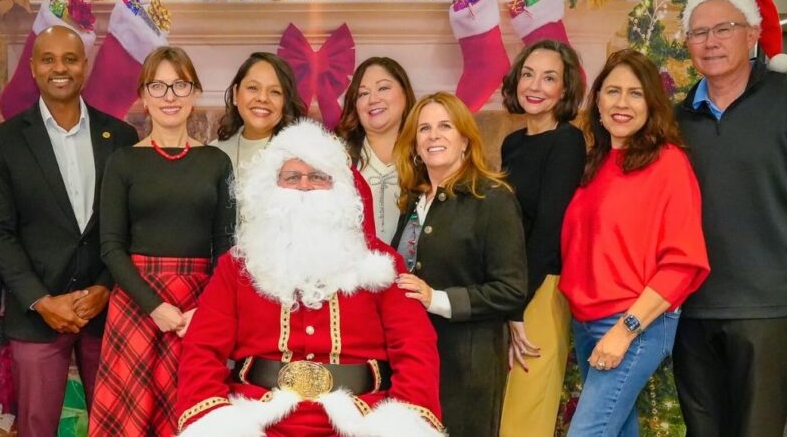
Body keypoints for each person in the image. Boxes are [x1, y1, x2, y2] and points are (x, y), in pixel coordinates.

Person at [175, 119, 443, 436]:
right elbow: (202, 350)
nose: (304, 185)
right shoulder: (238, 266)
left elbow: (415, 347)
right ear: (270, 188)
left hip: (362, 419)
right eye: (292, 177)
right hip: (258, 418)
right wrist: (217, 421)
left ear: (341, 188)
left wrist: (400, 423)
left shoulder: (381, 262)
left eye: (318, 177)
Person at [673, 0, 787, 436]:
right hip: (691, 304)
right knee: (702, 429)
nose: (710, 43)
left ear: (751, 35)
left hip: (766, 303)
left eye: (723, 29)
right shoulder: (676, 117)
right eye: (698, 33)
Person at [0, 25, 138, 436]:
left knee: (116, 424)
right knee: (37, 426)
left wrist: (106, 287)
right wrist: (40, 300)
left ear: (84, 66)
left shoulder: (121, 136)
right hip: (37, 314)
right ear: (33, 68)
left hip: (106, 311)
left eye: (69, 58)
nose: (59, 68)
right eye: (48, 59)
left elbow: (129, 225)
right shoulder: (5, 141)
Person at [559, 49, 710, 436]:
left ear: (652, 104)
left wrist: (625, 330)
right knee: (619, 427)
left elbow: (682, 263)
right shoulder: (596, 161)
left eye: (635, 93)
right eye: (612, 92)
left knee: (587, 431)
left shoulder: (668, 163)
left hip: (635, 320)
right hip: (588, 320)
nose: (622, 103)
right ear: (598, 102)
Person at [88, 46, 235, 436]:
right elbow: (111, 247)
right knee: (130, 419)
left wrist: (206, 308)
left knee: (189, 411)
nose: (169, 96)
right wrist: (155, 307)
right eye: (158, 86)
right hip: (137, 302)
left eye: (180, 85)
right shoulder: (123, 161)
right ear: (144, 96)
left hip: (197, 305)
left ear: (195, 93)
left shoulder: (217, 162)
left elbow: (225, 245)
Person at [391, 92, 528, 436]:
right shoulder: (413, 200)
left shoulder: (493, 198)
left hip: (467, 366)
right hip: (412, 363)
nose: (433, 136)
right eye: (424, 129)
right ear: (415, 144)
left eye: (444, 126)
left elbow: (511, 290)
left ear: (465, 139)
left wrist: (435, 298)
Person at [497, 39, 586, 436]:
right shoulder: (513, 143)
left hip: (542, 286)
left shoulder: (567, 141)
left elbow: (550, 230)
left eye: (549, 77)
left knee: (528, 403)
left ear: (564, 90)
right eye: (529, 74)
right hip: (511, 283)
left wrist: (516, 305)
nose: (535, 85)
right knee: (504, 401)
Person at [336, 57, 416, 244]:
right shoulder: (337, 156)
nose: (373, 99)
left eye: (383, 88)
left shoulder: (426, 153)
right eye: (363, 94)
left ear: (405, 93)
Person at [210, 52, 304, 180]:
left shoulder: (302, 154)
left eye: (275, 92)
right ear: (235, 94)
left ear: (286, 101)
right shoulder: (214, 152)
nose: (263, 98)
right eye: (253, 88)